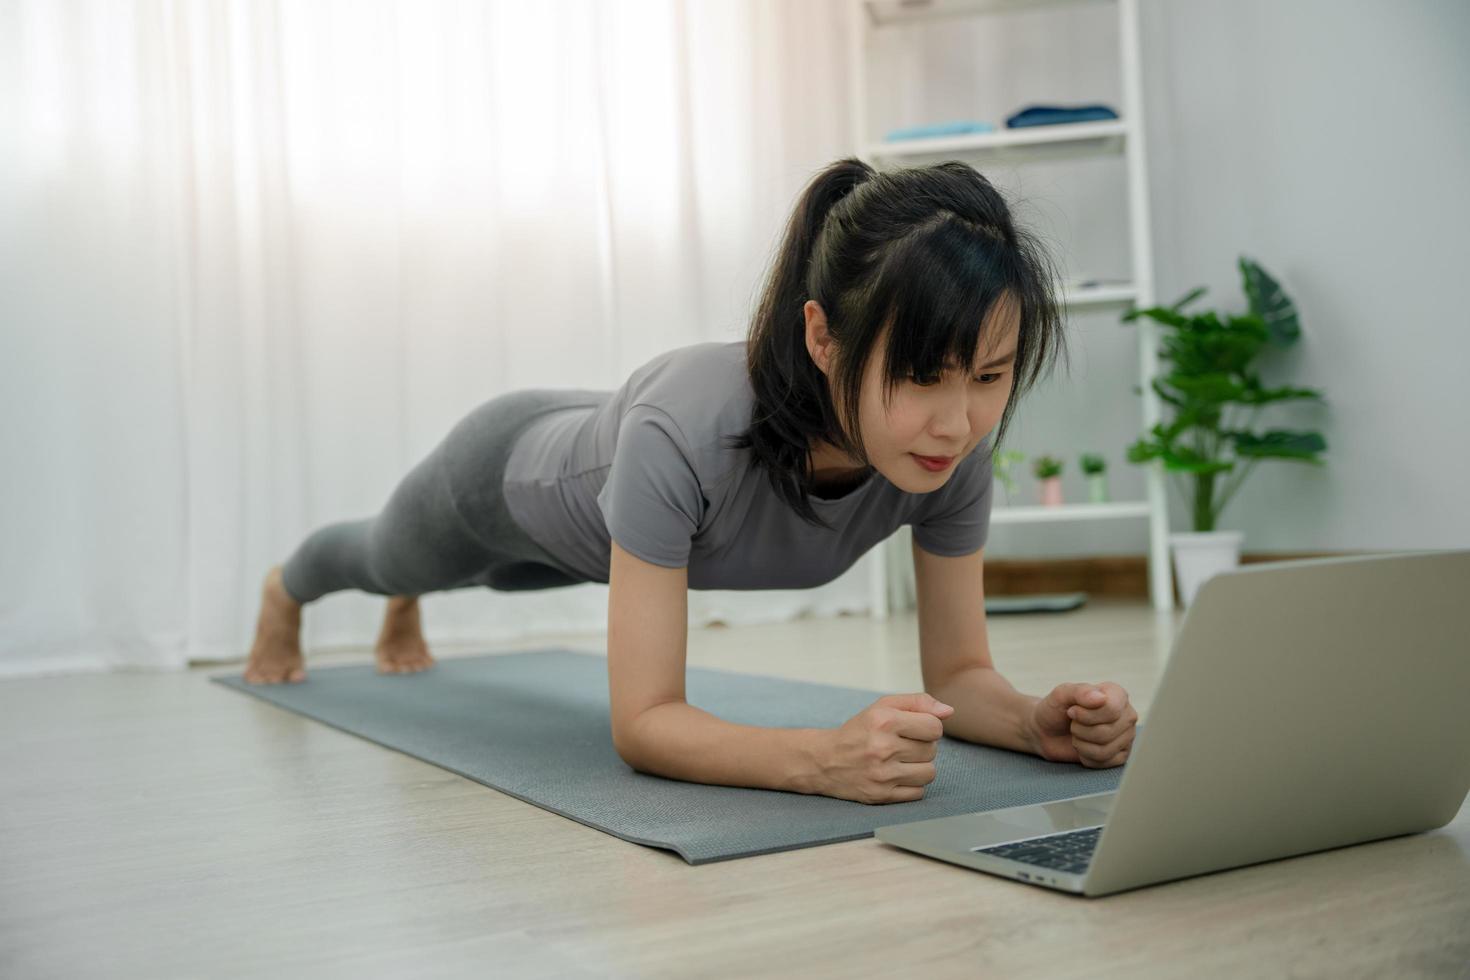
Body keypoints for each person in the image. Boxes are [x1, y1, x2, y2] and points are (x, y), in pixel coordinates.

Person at [245, 157, 1140, 805]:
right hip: (507, 472)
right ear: (823, 338)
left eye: (989, 377)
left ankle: (413, 595)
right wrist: (820, 760)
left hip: (617, 508)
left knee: (460, 575)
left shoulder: (950, 459)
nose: (960, 422)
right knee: (385, 557)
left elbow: (960, 670)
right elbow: (644, 722)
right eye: (922, 376)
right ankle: (287, 588)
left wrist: (1033, 724)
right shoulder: (684, 431)